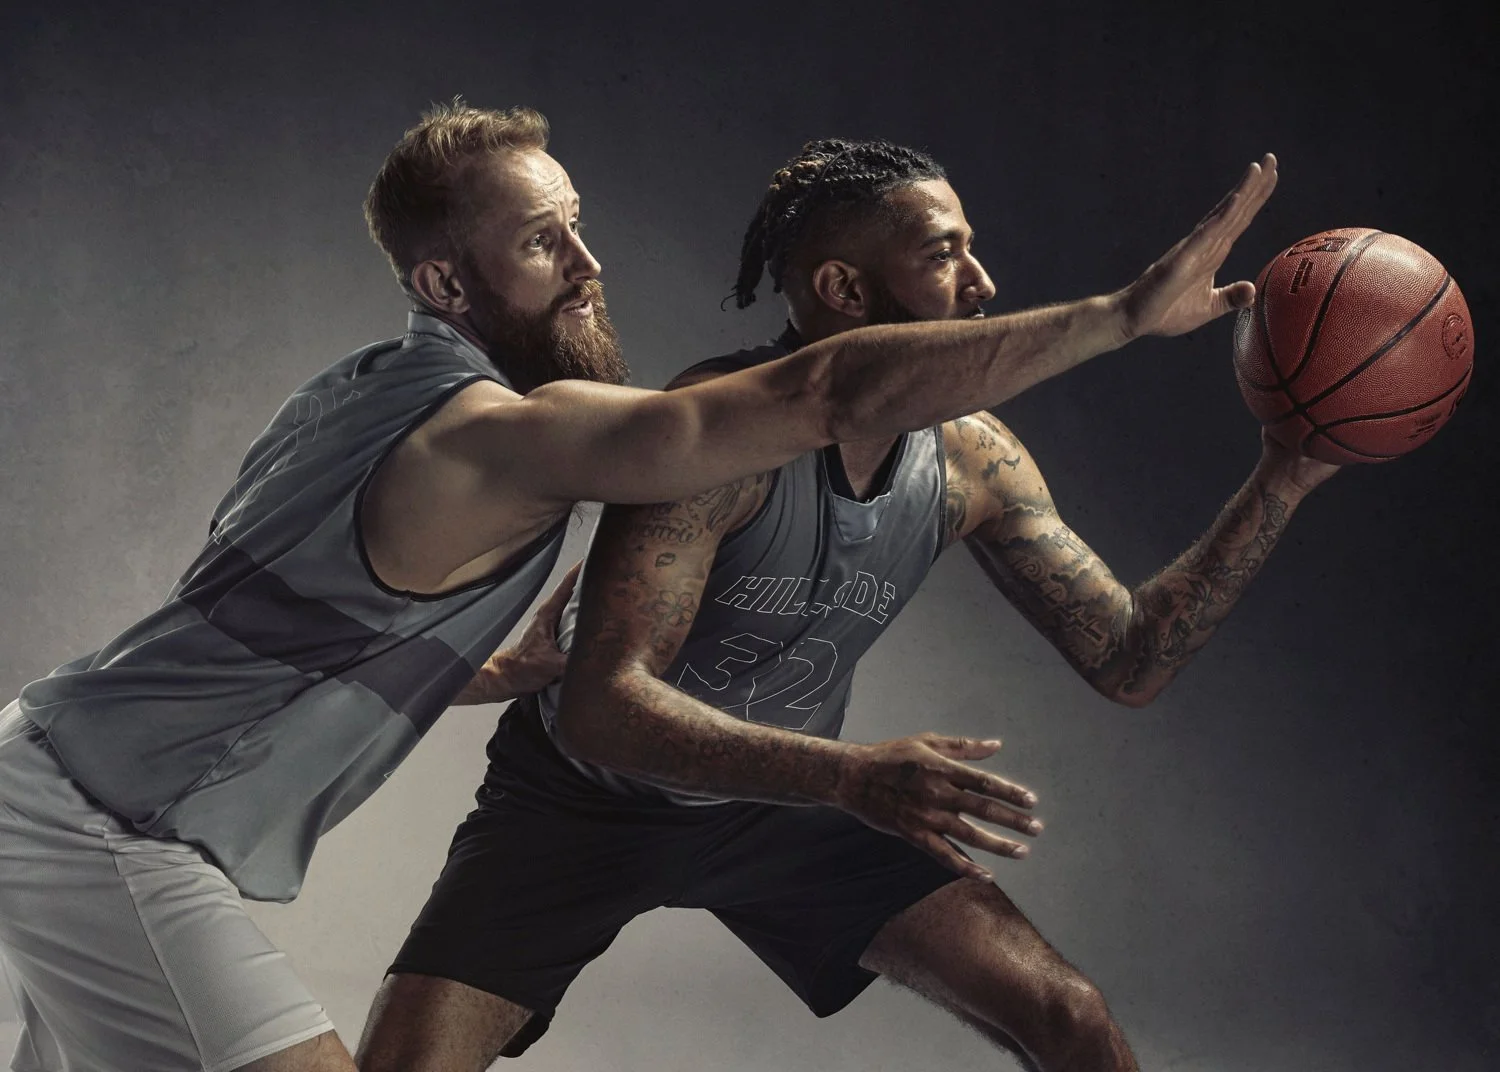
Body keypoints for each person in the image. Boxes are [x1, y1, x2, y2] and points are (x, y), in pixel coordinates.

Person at [0, 100, 1274, 1071]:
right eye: (544, 241)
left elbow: (244, 609)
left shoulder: (358, 391)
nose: (588, 261)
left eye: (577, 223)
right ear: (447, 284)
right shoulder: (500, 430)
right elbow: (820, 394)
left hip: (68, 773)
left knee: (1070, 1012)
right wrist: (1118, 313)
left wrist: (480, 666)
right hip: (105, 817)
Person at [359, 138, 1323, 1070]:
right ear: (845, 290)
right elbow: (603, 708)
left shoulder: (971, 457)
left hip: (784, 801)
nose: (982, 283)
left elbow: (1130, 660)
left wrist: (1285, 471)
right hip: (584, 805)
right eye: (944, 254)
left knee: (1070, 1019)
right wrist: (847, 778)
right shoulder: (720, 433)